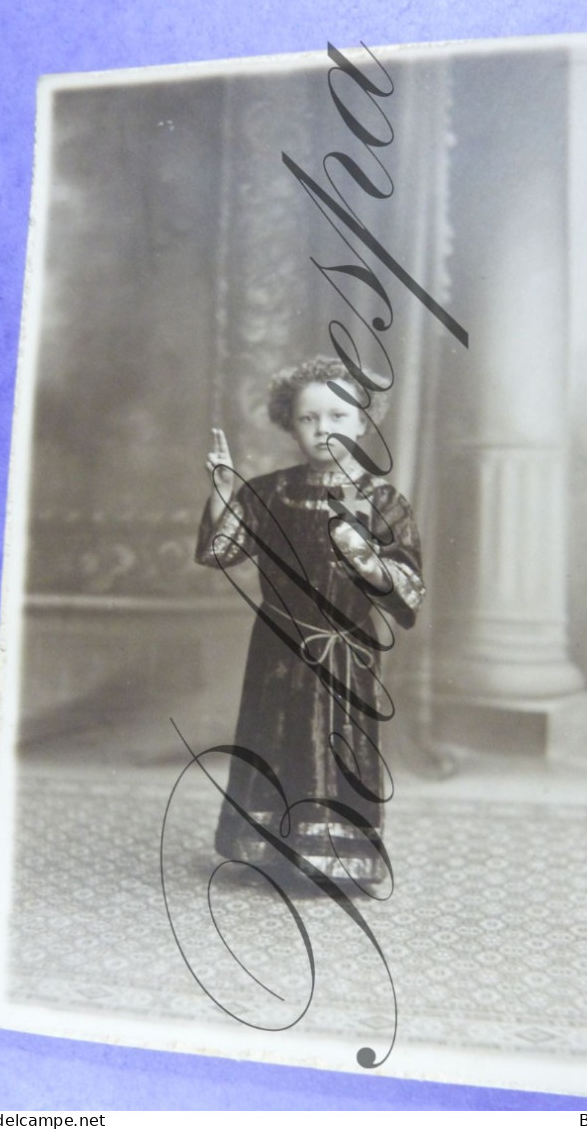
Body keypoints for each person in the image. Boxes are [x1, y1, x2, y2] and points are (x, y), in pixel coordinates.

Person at [195, 357, 424, 889]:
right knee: (274, 741)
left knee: (338, 746)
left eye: (339, 417)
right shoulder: (271, 492)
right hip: (277, 647)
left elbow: (407, 590)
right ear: (288, 423)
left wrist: (365, 555)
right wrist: (224, 492)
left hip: (347, 652)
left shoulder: (385, 502)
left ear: (363, 423)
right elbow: (221, 551)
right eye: (309, 419)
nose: (324, 430)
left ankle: (337, 861)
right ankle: (271, 852)